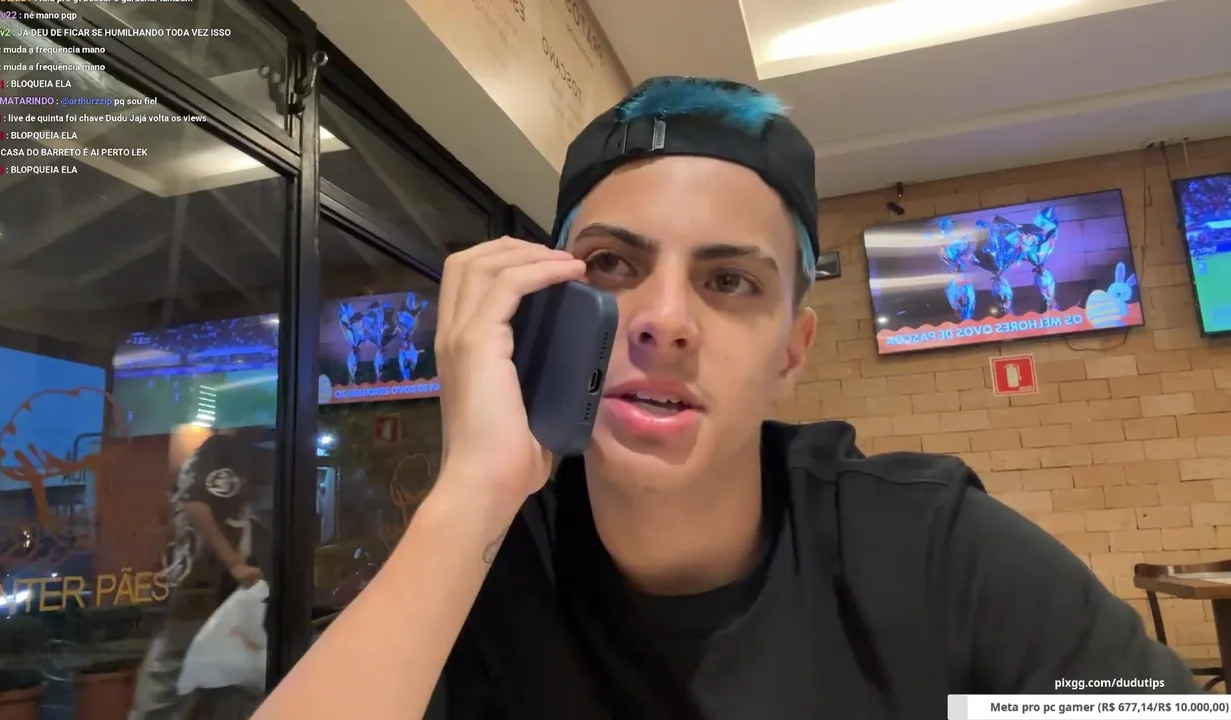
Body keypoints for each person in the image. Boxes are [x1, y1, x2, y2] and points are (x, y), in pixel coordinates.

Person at [254, 77, 1202, 719]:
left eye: (729, 281)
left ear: (792, 352)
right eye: (612, 265)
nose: (664, 320)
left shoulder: (930, 548)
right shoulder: (478, 571)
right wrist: (471, 493)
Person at [132, 427, 266, 720]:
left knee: (233, 683)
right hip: (206, 591)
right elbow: (197, 508)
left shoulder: (223, 454)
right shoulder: (222, 450)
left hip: (217, 595)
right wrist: (235, 564)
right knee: (169, 677)